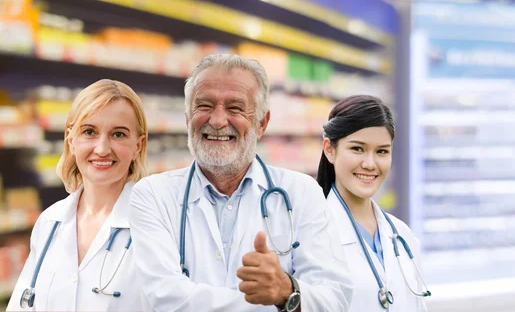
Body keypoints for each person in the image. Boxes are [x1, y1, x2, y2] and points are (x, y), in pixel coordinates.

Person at [128, 54, 352, 312]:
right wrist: (279, 301)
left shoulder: (302, 193)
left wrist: (286, 289)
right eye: (204, 106)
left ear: (262, 123)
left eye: (235, 108)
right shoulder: (152, 195)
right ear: (188, 119)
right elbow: (164, 296)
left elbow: (335, 299)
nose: (218, 120)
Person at [7, 79, 148, 311]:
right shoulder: (49, 222)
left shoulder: (157, 226)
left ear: (138, 146)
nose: (102, 149)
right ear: (71, 140)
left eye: (119, 134)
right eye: (89, 132)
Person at [317, 95, 430, 312]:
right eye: (357, 149)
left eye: (381, 151)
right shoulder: (311, 236)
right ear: (330, 150)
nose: (370, 164)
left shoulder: (403, 236)